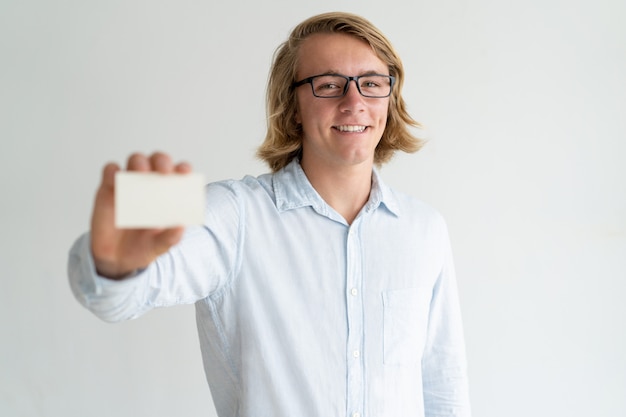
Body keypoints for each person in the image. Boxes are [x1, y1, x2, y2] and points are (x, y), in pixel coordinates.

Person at [68, 11, 471, 417]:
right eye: (328, 85)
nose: (355, 102)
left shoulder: (425, 228)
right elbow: (121, 292)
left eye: (371, 84)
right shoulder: (232, 213)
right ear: (292, 105)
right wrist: (112, 267)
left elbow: (443, 387)